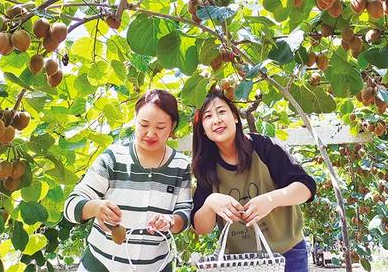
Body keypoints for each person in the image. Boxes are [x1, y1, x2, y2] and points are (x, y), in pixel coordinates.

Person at [64, 89, 192, 272]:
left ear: (172, 127)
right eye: (144, 124)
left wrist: (170, 221)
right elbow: (70, 205)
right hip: (101, 265)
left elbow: (185, 213)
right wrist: (95, 208)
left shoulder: (181, 165)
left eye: (160, 127)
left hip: (156, 267)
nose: (150, 133)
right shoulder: (113, 158)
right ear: (135, 120)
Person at [191, 89, 316, 272]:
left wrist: (271, 200)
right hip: (239, 263)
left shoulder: (264, 147)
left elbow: (306, 187)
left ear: (235, 117)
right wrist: (210, 203)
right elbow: (201, 228)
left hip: (287, 254)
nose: (216, 120)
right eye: (208, 116)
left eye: (221, 111)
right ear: (202, 128)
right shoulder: (206, 166)